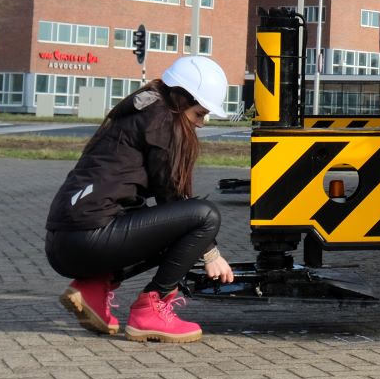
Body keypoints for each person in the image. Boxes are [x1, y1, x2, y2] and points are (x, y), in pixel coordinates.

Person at [44, 55, 236, 342]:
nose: (201, 123)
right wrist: (211, 253)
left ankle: (93, 288)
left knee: (175, 228)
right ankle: (151, 308)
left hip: (62, 242)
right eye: (199, 114)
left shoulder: (139, 109)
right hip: (89, 239)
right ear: (182, 100)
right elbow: (171, 195)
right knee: (204, 216)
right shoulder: (160, 119)